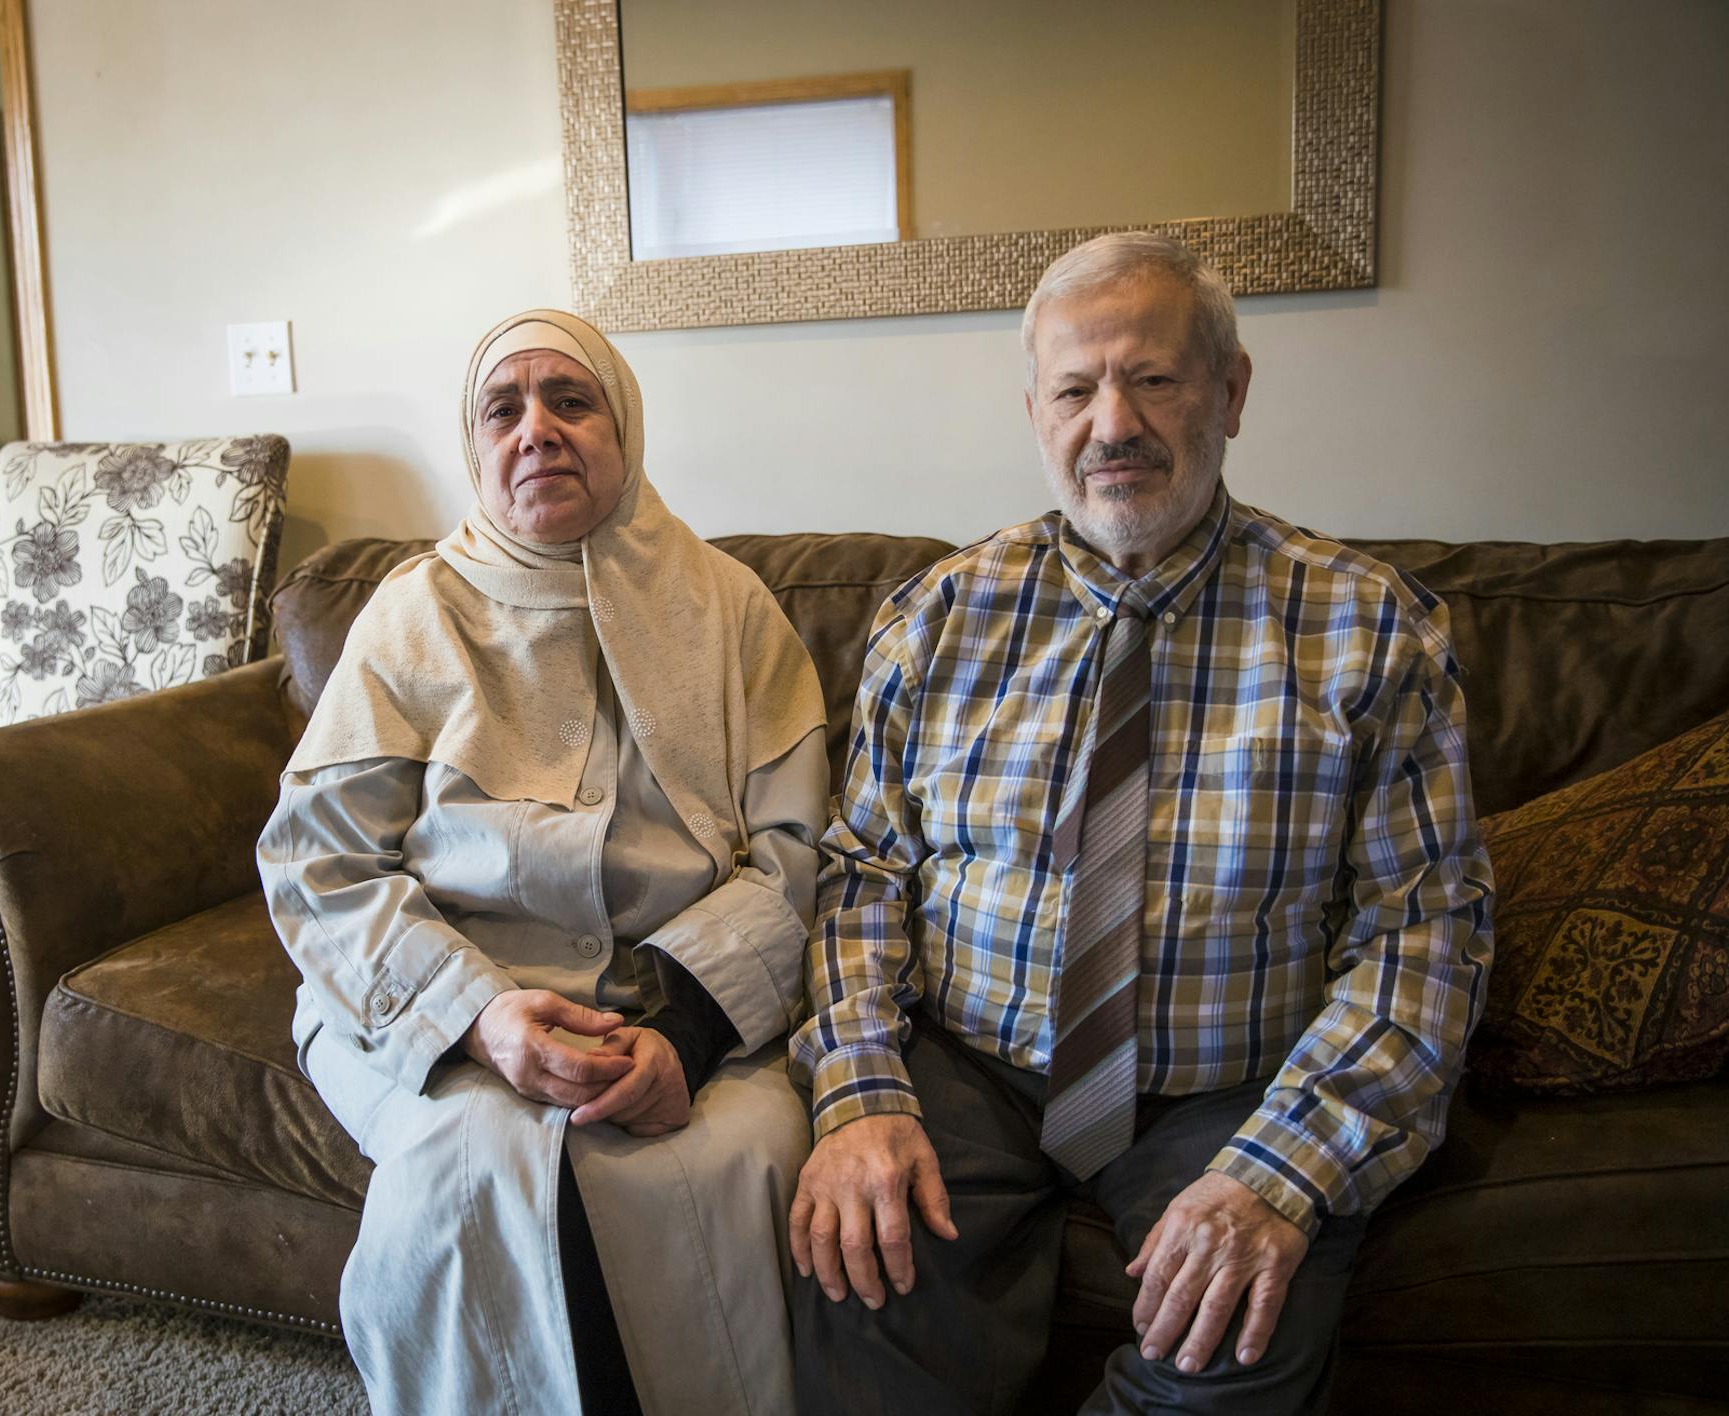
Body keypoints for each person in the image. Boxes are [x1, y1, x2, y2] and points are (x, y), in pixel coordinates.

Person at [785, 232, 1495, 1414]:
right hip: (972, 1066)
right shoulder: (940, 618)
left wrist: (1281, 1175)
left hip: (1232, 1080)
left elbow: (1425, 938)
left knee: (1233, 1349)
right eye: (1076, 388)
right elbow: (861, 878)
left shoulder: (1366, 631)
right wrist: (860, 1093)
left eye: (1153, 379)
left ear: (1231, 392)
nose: (1113, 423)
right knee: (862, 1279)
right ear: (1036, 412)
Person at [259, 309, 829, 1416]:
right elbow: (319, 862)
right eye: (504, 408)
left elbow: (803, 856)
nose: (540, 430)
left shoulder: (732, 609)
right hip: (431, 1001)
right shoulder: (412, 612)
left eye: (573, 401)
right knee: (468, 1166)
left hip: (693, 1003)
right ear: (475, 450)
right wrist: (479, 1015)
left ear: (626, 429)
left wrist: (686, 1027)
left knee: (738, 1158)